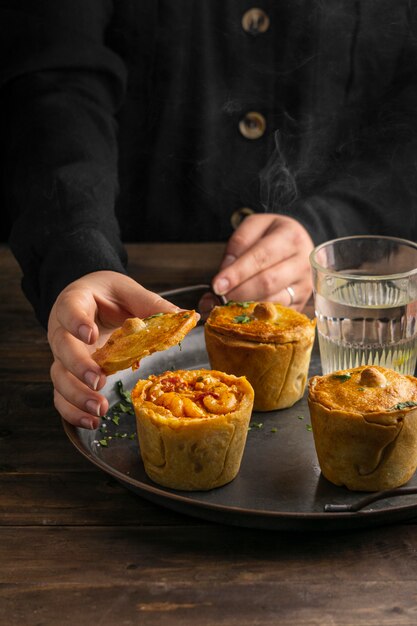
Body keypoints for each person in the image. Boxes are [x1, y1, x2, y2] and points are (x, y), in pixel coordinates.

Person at [1, 1, 417, 429]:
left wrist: (331, 224)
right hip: (125, 281)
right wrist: (78, 254)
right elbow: (54, 79)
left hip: (361, 295)